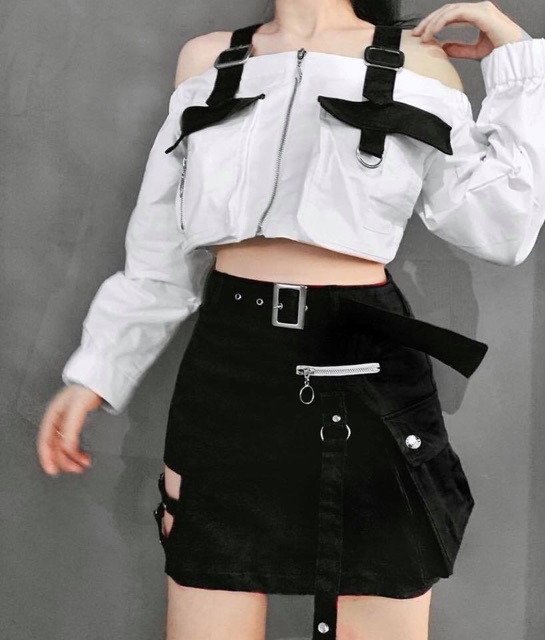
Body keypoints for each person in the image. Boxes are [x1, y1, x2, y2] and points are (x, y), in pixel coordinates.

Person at [36, 1, 544, 639]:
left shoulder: (417, 63)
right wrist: (96, 374)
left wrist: (519, 63)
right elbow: (160, 253)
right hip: (230, 371)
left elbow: (501, 229)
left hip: (365, 373)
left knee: (380, 596)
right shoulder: (208, 60)